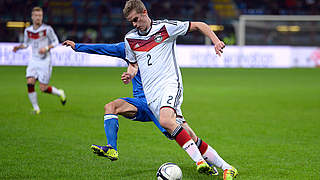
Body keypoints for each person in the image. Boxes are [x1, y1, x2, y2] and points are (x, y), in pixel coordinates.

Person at [62, 40, 218, 175]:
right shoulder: (126, 47)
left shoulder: (156, 48)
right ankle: (112, 148)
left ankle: (208, 164)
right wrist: (77, 46)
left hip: (159, 101)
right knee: (111, 107)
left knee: (184, 134)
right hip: (141, 103)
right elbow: (103, 48)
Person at [122, 0, 238, 179]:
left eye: (136, 19)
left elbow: (199, 25)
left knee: (166, 121)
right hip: (152, 94)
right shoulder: (130, 39)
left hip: (170, 84)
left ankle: (200, 162)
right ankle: (227, 167)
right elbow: (133, 64)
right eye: (132, 22)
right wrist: (130, 74)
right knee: (189, 134)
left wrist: (216, 41)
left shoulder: (165, 28)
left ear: (144, 12)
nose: (135, 24)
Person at [13, 7, 66, 114]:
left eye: (40, 16)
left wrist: (46, 48)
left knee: (43, 88)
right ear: (32, 17)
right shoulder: (28, 30)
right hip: (33, 59)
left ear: (42, 17)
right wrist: (19, 47)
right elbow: (26, 44)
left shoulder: (47, 29)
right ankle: (36, 108)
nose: (38, 18)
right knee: (30, 82)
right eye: (36, 16)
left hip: (45, 60)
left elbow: (56, 42)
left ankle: (60, 92)